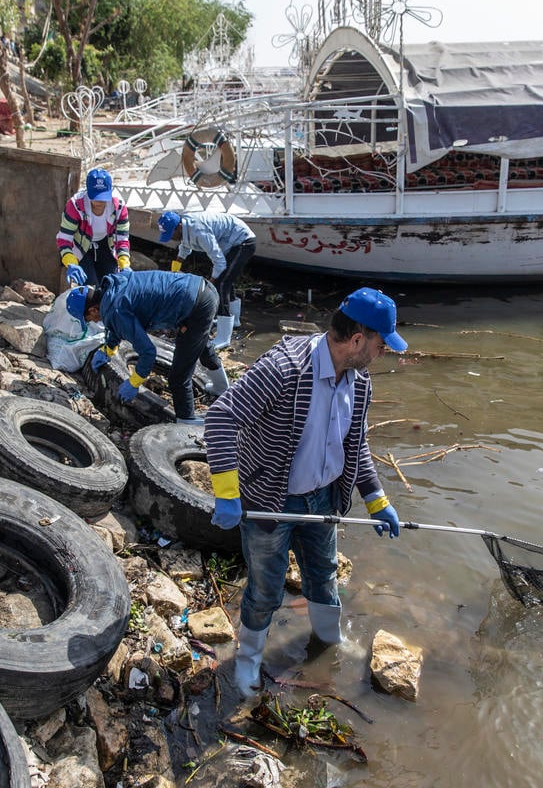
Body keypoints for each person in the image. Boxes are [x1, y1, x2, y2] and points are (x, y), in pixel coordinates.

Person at [203, 287, 407, 697]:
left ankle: (328, 644)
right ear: (357, 340)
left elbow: (356, 446)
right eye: (382, 344)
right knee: (265, 590)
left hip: (324, 500)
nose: (385, 353)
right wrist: (228, 493)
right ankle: (247, 661)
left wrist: (377, 500)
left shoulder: (359, 380)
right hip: (270, 502)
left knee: (324, 576)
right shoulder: (285, 369)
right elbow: (221, 418)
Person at [64, 271, 229, 424]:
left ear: (93, 308)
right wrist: (108, 349)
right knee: (200, 345)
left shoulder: (113, 310)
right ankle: (222, 388)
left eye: (89, 318)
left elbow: (148, 352)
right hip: (202, 288)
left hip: (196, 307)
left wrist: (134, 382)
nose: (92, 321)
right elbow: (119, 324)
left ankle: (187, 423)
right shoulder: (112, 289)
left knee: (178, 378)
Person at [157, 210, 256, 350]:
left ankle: (223, 337)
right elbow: (184, 247)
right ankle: (235, 321)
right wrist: (174, 271)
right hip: (230, 243)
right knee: (226, 279)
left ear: (179, 226)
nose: (171, 238)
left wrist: (209, 285)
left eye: (171, 234)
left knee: (221, 284)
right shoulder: (184, 228)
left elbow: (219, 262)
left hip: (243, 241)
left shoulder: (199, 231)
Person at [57, 168, 131, 288]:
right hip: (81, 248)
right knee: (91, 290)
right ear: (88, 190)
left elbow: (122, 239)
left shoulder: (119, 207)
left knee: (110, 286)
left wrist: (124, 264)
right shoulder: (75, 205)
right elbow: (64, 239)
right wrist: (70, 261)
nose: (99, 201)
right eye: (95, 196)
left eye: (103, 196)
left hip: (106, 246)